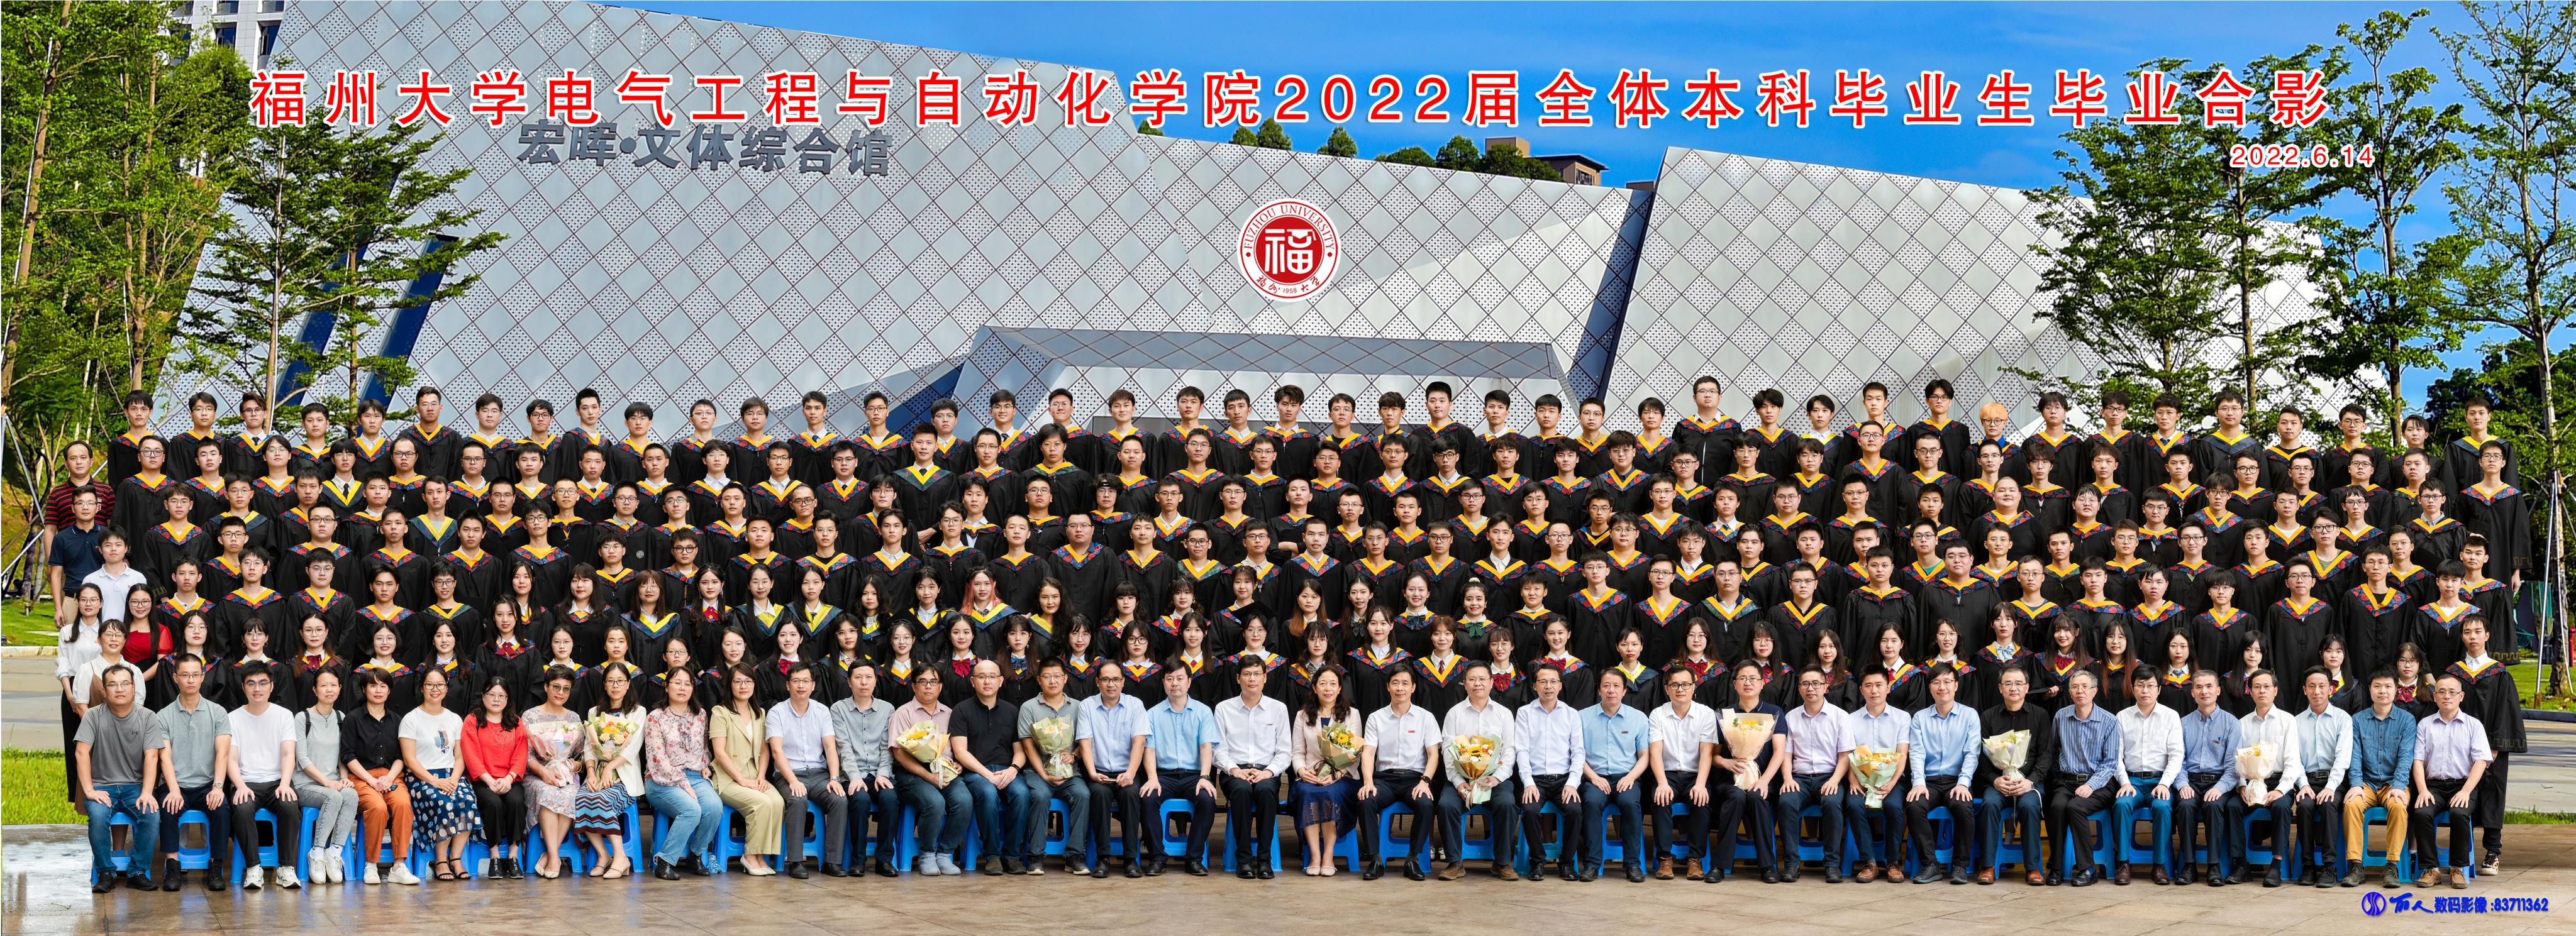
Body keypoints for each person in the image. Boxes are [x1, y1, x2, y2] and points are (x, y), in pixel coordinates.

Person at [78, 666, 165, 892]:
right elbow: (81, 752)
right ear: (104, 690)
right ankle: (105, 873)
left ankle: (137, 872)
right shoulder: (93, 716)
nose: (120, 689)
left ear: (134, 688)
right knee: (98, 817)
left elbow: (152, 756)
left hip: (134, 787)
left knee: (151, 815)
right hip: (102, 787)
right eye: (113, 684)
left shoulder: (148, 717)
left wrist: (147, 793)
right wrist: (89, 790)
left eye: (125, 683)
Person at [1436, 660, 1518, 880]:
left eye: (1482, 679)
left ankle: (1502, 863)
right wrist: (1458, 783)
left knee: (1507, 804)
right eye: (1472, 679)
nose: (1477, 684)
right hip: (1462, 778)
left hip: (1494, 780)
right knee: (1446, 805)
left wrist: (1496, 779)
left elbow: (1510, 751)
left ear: (1492, 682)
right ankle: (1455, 863)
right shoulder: (1455, 713)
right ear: (1464, 684)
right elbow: (1448, 751)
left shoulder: (1503, 714)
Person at [1358, 666, 1441, 880]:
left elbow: (1433, 754)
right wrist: (1368, 782)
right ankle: (1375, 860)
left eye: (1405, 683)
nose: (1400, 688)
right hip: (1385, 780)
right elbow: (1368, 753)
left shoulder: (1426, 718)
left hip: (1415, 779)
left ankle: (1412, 860)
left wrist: (1425, 782)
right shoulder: (1376, 718)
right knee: (1366, 800)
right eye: (1395, 683)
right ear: (1388, 687)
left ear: (1413, 688)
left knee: (1426, 804)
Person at [2409, 674, 2491, 889]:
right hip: (2433, 787)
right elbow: (2418, 760)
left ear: (2461, 696)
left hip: (2463, 785)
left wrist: (2466, 791)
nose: (2447, 696)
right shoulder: (2425, 725)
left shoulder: (2473, 725)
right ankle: (2431, 869)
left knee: (2459, 813)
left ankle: (2458, 868)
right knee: (2422, 813)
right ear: (2435, 697)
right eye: (2442, 692)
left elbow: (2481, 762)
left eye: (2452, 692)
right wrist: (2422, 790)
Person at [1213, 655, 1291, 878]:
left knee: (1266, 792)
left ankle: (1265, 860)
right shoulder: (1224, 709)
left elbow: (1284, 751)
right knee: (1242, 791)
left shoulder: (1278, 709)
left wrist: (1268, 772)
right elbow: (1218, 750)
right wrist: (1235, 770)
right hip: (1234, 772)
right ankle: (1244, 860)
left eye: (1257, 674)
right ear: (1238, 679)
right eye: (1247, 674)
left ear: (1265, 678)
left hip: (1267, 771)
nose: (1252, 679)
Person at [1775, 664, 1855, 883]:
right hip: (1799, 779)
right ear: (1799, 688)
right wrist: (1787, 778)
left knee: (1832, 803)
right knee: (1786, 802)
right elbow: (1786, 753)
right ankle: (1791, 864)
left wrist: (1835, 781)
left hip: (1829, 776)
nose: (1811, 688)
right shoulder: (1791, 717)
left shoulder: (1840, 716)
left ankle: (1832, 864)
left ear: (1825, 687)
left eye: (1816, 683)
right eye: (1805, 684)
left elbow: (1845, 755)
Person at [225, 667, 303, 890]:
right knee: (242, 809)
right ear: (243, 688)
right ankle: (253, 868)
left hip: (277, 780)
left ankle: (286, 868)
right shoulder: (233, 718)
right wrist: (240, 786)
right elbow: (231, 759)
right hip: (246, 782)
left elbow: (288, 754)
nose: (257, 689)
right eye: (251, 684)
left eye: (262, 683)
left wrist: (285, 784)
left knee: (290, 807)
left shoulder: (284, 715)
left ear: (271, 686)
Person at [762, 662, 841, 879]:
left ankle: (832, 861)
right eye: (796, 681)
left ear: (813, 685)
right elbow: (777, 751)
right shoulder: (777, 712)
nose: (801, 686)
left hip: (819, 774)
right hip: (788, 774)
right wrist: (793, 781)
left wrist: (835, 778)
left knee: (839, 800)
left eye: (806, 681)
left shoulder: (822, 711)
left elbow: (830, 748)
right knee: (797, 800)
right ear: (788, 685)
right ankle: (796, 861)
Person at [1138, 663, 1219, 876]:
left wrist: (1205, 777)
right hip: (1164, 776)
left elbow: (1206, 747)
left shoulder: (1203, 712)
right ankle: (1158, 858)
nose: (1175, 683)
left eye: (1180, 678)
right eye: (1170, 679)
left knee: (1207, 800)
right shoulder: (1152, 714)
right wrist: (1152, 778)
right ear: (1164, 683)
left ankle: (1194, 858)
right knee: (1148, 799)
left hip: (1194, 776)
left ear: (1189, 682)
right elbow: (1149, 749)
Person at [950, 659, 1030, 875]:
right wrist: (988, 775)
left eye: (992, 677)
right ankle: (993, 855)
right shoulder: (961, 710)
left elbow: (1020, 750)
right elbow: (960, 752)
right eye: (982, 677)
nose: (987, 681)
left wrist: (1013, 770)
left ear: (1001, 681)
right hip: (976, 772)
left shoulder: (1012, 711)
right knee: (987, 793)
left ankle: (1011, 855)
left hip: (1006, 770)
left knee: (1022, 794)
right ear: (973, 681)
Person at [889, 666, 971, 875]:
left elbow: (957, 748)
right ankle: (927, 854)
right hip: (912, 774)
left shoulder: (950, 714)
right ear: (914, 686)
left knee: (964, 800)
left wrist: (959, 764)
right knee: (935, 802)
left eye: (933, 682)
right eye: (922, 681)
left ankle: (945, 854)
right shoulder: (903, 713)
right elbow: (900, 755)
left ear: (940, 687)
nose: (928, 686)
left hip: (945, 771)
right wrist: (929, 776)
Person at [343, 668, 421, 884]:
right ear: (364, 689)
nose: (378, 691)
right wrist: (372, 781)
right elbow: (348, 756)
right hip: (362, 778)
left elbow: (401, 756)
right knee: (377, 807)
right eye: (373, 686)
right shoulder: (353, 719)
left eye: (383, 686)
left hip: (391, 777)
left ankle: (399, 866)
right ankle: (371, 865)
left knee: (403, 804)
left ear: (389, 691)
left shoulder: (397, 720)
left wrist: (389, 778)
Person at [642, 668, 722, 880]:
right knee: (691, 810)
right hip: (662, 780)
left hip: (695, 776)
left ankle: (696, 854)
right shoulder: (655, 718)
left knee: (714, 807)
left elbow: (704, 749)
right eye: (677, 683)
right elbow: (658, 760)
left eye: (688, 684)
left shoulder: (701, 715)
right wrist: (684, 785)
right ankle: (665, 862)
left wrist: (706, 765)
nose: (682, 688)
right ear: (666, 686)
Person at [1011, 658, 1089, 876]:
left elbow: (1085, 741)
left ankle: (1074, 856)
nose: (1052, 681)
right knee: (1040, 796)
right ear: (1039, 680)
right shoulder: (1029, 707)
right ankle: (1035, 856)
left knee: (1083, 795)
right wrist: (1044, 775)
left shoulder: (1079, 707)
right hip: (1037, 772)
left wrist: (1073, 756)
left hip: (1070, 773)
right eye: (1047, 677)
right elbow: (1028, 746)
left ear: (1065, 678)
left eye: (1057, 676)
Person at [1714, 660, 1789, 882]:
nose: (1748, 683)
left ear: (1762, 683)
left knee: (1757, 797)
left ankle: (1768, 866)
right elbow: (1714, 756)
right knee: (1736, 797)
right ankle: (1719, 866)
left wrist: (1764, 781)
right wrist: (1726, 763)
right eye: (1743, 679)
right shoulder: (1724, 715)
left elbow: (1780, 752)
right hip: (1731, 779)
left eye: (1753, 679)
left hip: (1764, 779)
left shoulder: (1774, 713)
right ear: (1735, 684)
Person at [2341, 668, 2418, 888]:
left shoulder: (2407, 720)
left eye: (2388, 686)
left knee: (2398, 806)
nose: (2382, 691)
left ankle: (2392, 866)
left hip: (2393, 783)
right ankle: (2356, 866)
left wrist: (2399, 785)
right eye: (2377, 686)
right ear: (2370, 690)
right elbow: (2355, 756)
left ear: (2396, 689)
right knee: (2351, 804)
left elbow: (2406, 756)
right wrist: (2356, 784)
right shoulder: (2357, 720)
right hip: (2366, 783)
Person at [1976, 666, 2052, 886]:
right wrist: (1995, 780)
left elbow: (2046, 756)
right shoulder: (1988, 717)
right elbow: (1982, 757)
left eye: (2019, 683)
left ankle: (2033, 868)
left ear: (2027, 688)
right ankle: (1988, 866)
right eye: (2008, 683)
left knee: (2029, 806)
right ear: (2000, 688)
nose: (2013, 688)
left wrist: (2030, 781)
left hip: (2029, 782)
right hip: (1999, 782)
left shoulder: (2040, 715)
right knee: (1989, 804)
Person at [2224, 669, 2301, 886]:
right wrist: (2241, 786)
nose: (2262, 691)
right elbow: (2236, 760)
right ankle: (2241, 864)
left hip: (2277, 782)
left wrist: (2280, 790)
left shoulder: (2287, 721)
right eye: (2257, 687)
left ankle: (2276, 866)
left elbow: (2293, 762)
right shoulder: (2242, 723)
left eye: (2267, 687)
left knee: (2282, 808)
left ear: (2275, 691)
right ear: (2250, 691)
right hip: (2250, 783)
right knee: (2232, 807)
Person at [1904, 666, 1980, 884]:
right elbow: (1916, 753)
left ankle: (1960, 866)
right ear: (1930, 688)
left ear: (1956, 685)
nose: (1942, 687)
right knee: (1914, 806)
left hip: (1957, 781)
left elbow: (1972, 753)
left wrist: (1964, 783)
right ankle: (1930, 865)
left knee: (1963, 807)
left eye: (1947, 682)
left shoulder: (1970, 715)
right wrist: (1918, 783)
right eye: (1936, 682)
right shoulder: (1920, 718)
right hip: (1928, 782)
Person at [2045, 670, 2119, 886]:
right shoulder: (2061, 717)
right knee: (2057, 807)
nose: (2080, 691)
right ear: (2070, 692)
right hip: (2066, 782)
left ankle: (2088, 869)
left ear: (2094, 691)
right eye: (2075, 687)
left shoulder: (2109, 721)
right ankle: (2057, 867)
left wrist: (2090, 785)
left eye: (2085, 687)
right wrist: (2061, 777)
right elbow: (2054, 751)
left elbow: (2111, 763)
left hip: (2099, 784)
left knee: (2075, 807)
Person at [826, 663, 901, 878]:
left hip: (879, 773)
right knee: (859, 800)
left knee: (890, 799)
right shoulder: (838, 709)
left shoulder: (887, 709)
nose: (864, 682)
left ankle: (884, 860)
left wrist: (883, 774)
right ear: (849, 682)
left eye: (869, 677)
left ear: (875, 681)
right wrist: (855, 777)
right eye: (858, 677)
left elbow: (887, 748)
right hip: (851, 774)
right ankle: (857, 860)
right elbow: (843, 747)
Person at [710, 663, 786, 875]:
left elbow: (764, 750)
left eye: (748, 681)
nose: (743, 686)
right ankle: (750, 855)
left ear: (754, 684)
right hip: (728, 779)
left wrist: (761, 776)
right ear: (730, 685)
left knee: (778, 802)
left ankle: (762, 856)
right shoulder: (720, 712)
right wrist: (742, 780)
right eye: (738, 681)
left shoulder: (759, 713)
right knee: (762, 803)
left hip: (754, 775)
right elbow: (720, 753)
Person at [2110, 667, 2180, 885]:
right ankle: (2124, 863)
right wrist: (2124, 782)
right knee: (2121, 805)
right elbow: (2116, 756)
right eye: (2140, 686)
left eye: (2150, 686)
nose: (2145, 691)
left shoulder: (2170, 716)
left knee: (2162, 807)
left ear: (2159, 690)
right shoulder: (2122, 717)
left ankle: (2159, 865)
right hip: (2131, 781)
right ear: (2133, 689)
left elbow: (2177, 756)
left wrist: (2164, 784)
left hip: (2159, 781)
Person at [1514, 666, 1585, 881]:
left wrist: (1572, 783)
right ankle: (1537, 862)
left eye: (1553, 682)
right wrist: (1528, 783)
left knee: (1575, 811)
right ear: (1535, 686)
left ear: (1560, 686)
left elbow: (1578, 752)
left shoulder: (1571, 714)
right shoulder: (1525, 713)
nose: (1549, 686)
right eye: (1543, 682)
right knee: (1530, 810)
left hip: (1564, 779)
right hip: (1536, 780)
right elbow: (1521, 751)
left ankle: (1567, 862)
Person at [1646, 666, 1715, 881]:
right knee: (1660, 799)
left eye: (1685, 685)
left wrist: (1701, 784)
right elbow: (1655, 752)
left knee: (1702, 800)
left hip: (1696, 775)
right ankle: (1665, 858)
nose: (1680, 689)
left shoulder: (1706, 714)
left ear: (1694, 687)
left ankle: (1695, 859)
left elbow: (1707, 753)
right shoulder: (1658, 714)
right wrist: (1662, 783)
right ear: (1667, 689)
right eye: (1675, 685)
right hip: (1667, 774)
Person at [1291, 665, 1361, 877]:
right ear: (1314, 688)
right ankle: (1315, 856)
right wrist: (1302, 772)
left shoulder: (1351, 715)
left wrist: (1338, 774)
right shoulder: (1302, 716)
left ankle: (1328, 855)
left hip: (1342, 777)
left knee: (1331, 793)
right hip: (1311, 775)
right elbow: (1297, 752)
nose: (1328, 688)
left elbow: (1356, 752)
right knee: (1307, 793)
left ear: (1340, 689)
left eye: (1332, 684)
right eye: (1322, 683)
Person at [2172, 670, 2241, 886]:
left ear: (2218, 691)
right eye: (2199, 687)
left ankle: (2214, 866)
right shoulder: (2182, 723)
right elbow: (2177, 761)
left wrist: (2219, 788)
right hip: (2190, 780)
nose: (2205, 691)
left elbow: (2234, 767)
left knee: (2213, 806)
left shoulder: (2231, 723)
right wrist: (2182, 784)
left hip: (2219, 781)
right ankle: (2189, 865)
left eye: (2209, 686)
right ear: (2192, 692)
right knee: (2185, 805)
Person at [292, 668, 360, 886]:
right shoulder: (303, 718)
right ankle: (317, 852)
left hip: (332, 783)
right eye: (323, 685)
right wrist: (327, 782)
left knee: (351, 795)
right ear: (315, 690)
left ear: (340, 689)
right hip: (306, 785)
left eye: (333, 685)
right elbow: (302, 758)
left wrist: (344, 777)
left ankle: (335, 852)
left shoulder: (342, 718)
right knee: (334, 797)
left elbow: (343, 756)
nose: (329, 690)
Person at [1844, 668, 1911, 881]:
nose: (1874, 691)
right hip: (1860, 779)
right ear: (1861, 690)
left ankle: (1893, 862)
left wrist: (1892, 783)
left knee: (1894, 806)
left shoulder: (1902, 718)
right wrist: (1852, 779)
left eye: (1879, 685)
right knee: (1854, 804)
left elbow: (1902, 754)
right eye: (1869, 686)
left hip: (1893, 780)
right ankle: (1869, 862)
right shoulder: (1850, 719)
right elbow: (1848, 754)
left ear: (1888, 689)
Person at [2290, 666, 2355, 887]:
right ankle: (2308, 866)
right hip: (2307, 780)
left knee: (2328, 805)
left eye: (2321, 686)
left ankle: (2329, 867)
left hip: (2335, 781)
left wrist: (2331, 786)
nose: (2316, 691)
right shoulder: (2296, 722)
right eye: (2311, 686)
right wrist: (2303, 784)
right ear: (2304, 690)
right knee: (2305, 806)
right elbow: (2294, 758)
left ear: (2331, 689)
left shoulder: (2343, 719)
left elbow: (2343, 758)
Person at [520, 665, 586, 879]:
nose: (560, 693)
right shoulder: (531, 716)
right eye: (556, 687)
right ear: (546, 687)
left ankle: (551, 855)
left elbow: (581, 756)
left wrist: (575, 766)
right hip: (537, 774)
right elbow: (525, 754)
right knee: (547, 792)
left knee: (571, 793)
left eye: (566, 689)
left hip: (566, 774)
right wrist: (543, 772)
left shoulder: (574, 718)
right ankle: (555, 856)